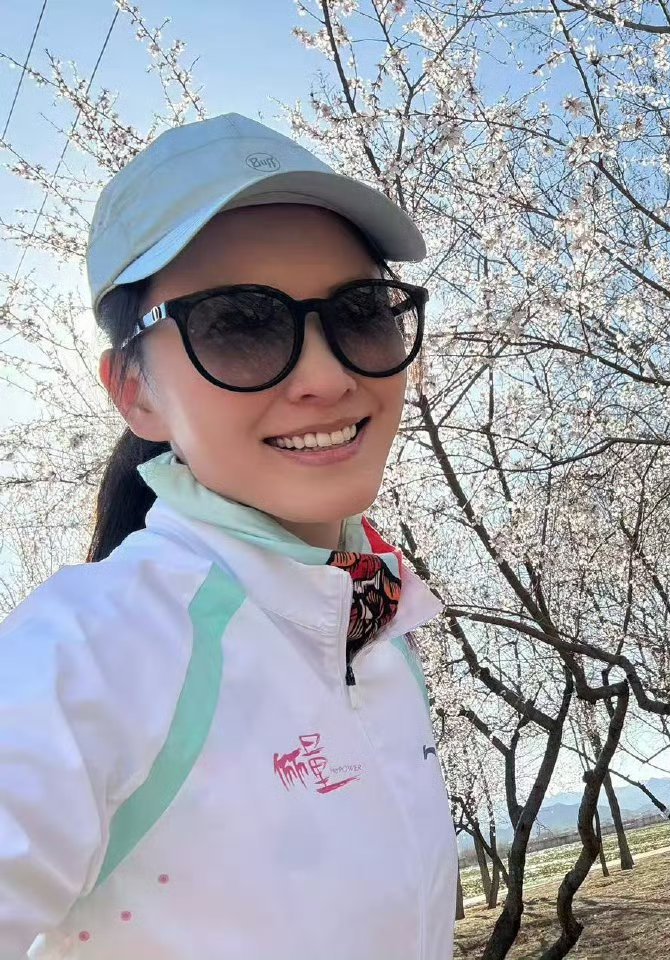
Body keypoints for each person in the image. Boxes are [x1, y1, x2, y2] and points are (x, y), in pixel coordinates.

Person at [0, 112, 457, 959]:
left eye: (360, 312)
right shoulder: (97, 645)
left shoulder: (375, 622)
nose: (326, 376)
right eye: (239, 324)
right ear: (134, 393)